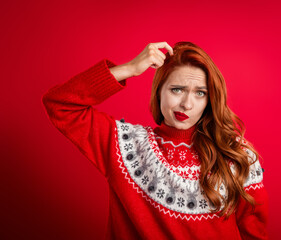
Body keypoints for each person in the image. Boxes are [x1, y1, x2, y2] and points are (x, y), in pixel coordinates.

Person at [42, 41, 269, 239]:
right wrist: (129, 68)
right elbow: (60, 104)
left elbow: (255, 234)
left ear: (210, 100)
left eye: (200, 93)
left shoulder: (236, 155)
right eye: (177, 89)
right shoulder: (122, 145)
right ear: (159, 90)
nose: (187, 104)